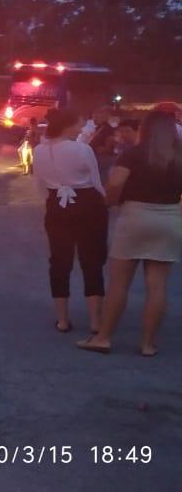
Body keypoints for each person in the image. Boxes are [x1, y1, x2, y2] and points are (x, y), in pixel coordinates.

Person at [78, 111, 182, 356]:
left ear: (145, 129)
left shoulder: (133, 154)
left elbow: (115, 185)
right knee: (157, 286)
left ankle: (103, 338)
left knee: (119, 284)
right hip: (169, 218)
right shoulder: (179, 157)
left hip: (136, 216)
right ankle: (147, 344)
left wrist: (110, 202)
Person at [31, 107, 107, 335]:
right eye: (79, 124)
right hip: (87, 203)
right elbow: (95, 182)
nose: (82, 128)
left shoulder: (39, 151)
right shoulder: (83, 149)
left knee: (59, 262)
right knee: (91, 260)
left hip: (57, 204)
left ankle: (62, 320)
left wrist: (53, 201)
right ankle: (95, 321)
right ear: (68, 126)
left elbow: (40, 185)